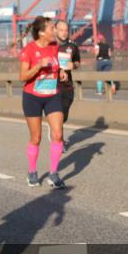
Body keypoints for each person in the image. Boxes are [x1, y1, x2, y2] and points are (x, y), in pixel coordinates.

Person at [19, 16, 69, 189]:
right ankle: (32, 172)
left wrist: (61, 72)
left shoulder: (54, 46)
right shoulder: (28, 50)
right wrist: (39, 65)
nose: (54, 31)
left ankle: (53, 174)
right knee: (36, 137)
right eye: (51, 28)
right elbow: (22, 76)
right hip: (32, 97)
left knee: (58, 134)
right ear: (41, 33)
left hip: (52, 95)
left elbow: (57, 64)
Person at [54, 20, 81, 151]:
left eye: (66, 30)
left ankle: (56, 128)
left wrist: (73, 65)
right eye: (61, 30)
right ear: (55, 30)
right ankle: (59, 140)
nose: (64, 33)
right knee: (58, 114)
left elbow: (77, 61)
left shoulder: (73, 46)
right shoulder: (49, 45)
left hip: (67, 86)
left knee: (64, 115)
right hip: (52, 85)